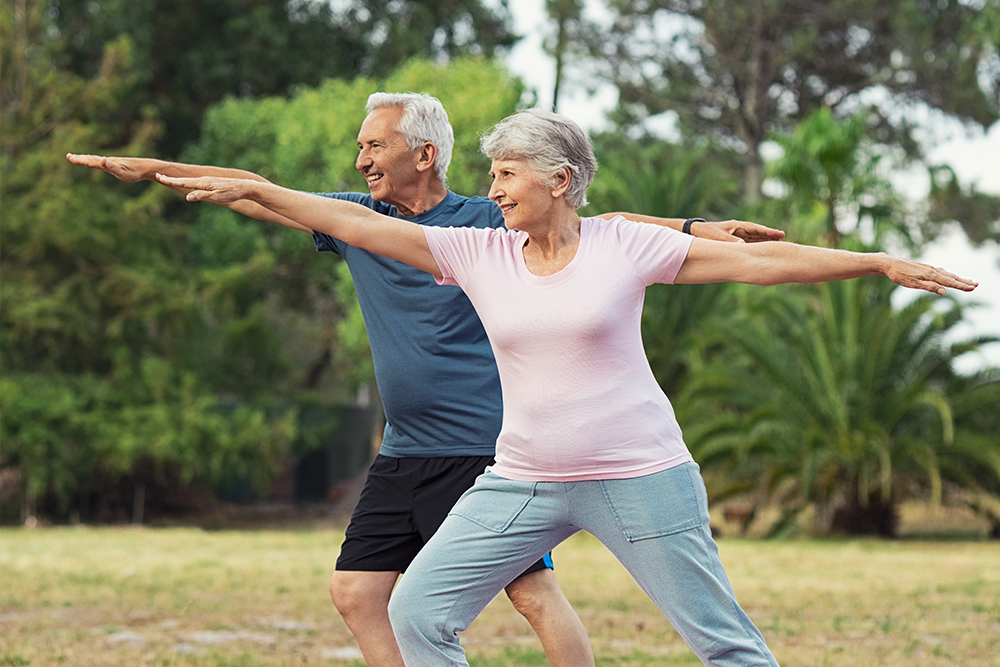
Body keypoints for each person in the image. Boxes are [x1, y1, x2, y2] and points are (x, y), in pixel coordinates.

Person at [153, 107, 977, 666]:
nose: (497, 187)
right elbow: (359, 223)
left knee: (724, 645)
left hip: (638, 474)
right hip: (525, 478)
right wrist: (259, 189)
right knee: (417, 614)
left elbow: (761, 262)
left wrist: (872, 261)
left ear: (560, 179)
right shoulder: (479, 254)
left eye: (509, 172)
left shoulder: (624, 246)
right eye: (493, 173)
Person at [67, 93, 787, 667]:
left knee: (533, 596)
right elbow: (264, 194)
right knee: (357, 591)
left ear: (425, 153)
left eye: (373, 145)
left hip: (483, 446)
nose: (360, 160)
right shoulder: (361, 222)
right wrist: (158, 169)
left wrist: (694, 226)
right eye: (359, 147)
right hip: (406, 447)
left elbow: (598, 224)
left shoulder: (483, 222)